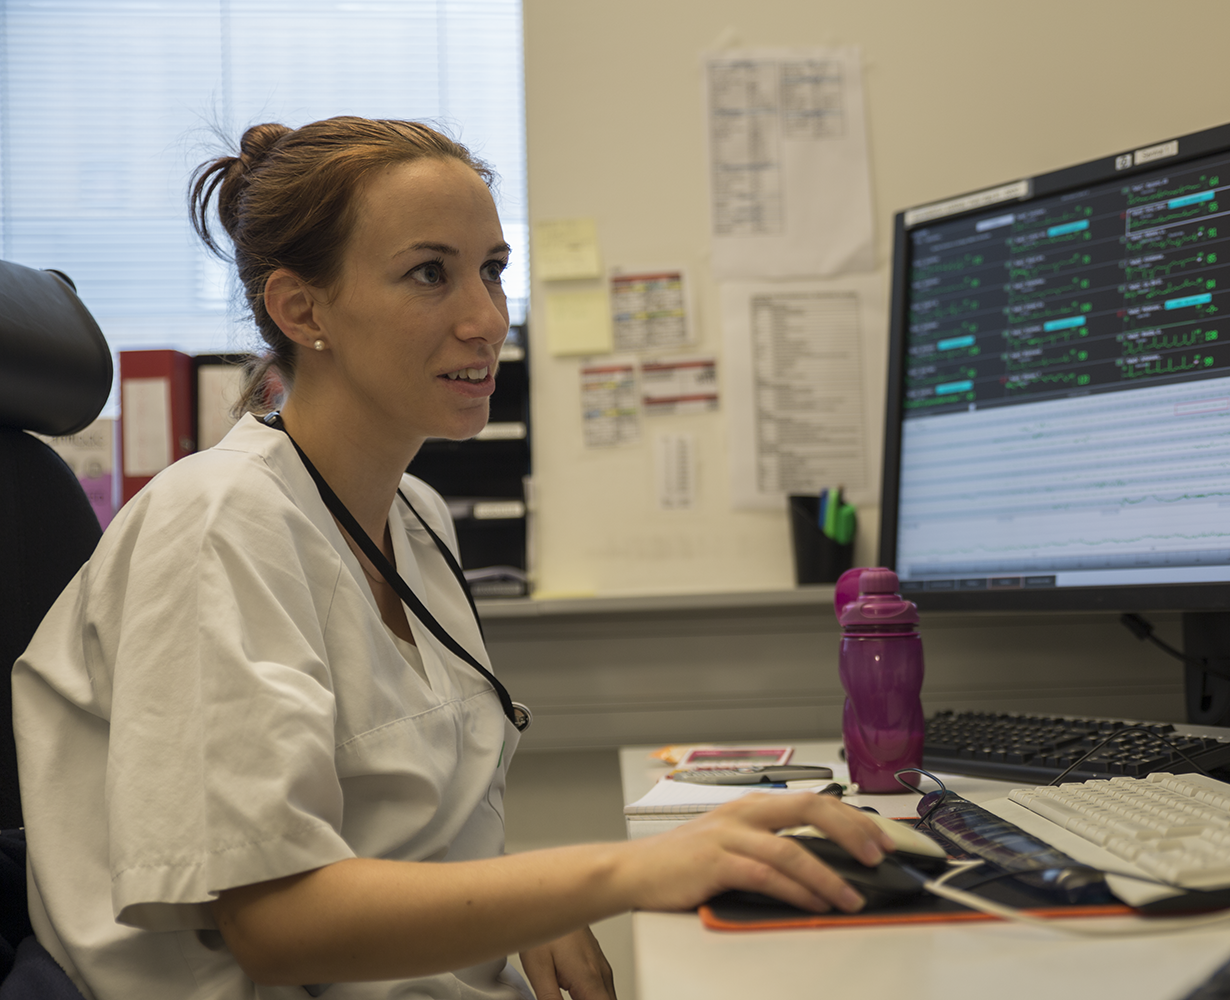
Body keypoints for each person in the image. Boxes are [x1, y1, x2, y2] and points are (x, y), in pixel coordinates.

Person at [11, 117, 894, 1000]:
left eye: (493, 270)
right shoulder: (214, 523)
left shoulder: (416, 515)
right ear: (300, 309)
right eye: (429, 273)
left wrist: (527, 906)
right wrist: (623, 874)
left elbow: (402, 825)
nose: (486, 320)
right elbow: (277, 924)